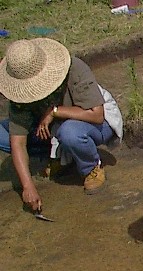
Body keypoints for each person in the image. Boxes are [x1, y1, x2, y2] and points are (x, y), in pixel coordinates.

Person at [0, 38, 123, 211]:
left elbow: (97, 115)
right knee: (3, 135)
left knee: (69, 132)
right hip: (53, 128)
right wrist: (28, 187)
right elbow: (18, 142)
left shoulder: (75, 69)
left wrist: (55, 111)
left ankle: (90, 167)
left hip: (94, 123)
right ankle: (61, 155)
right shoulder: (19, 94)